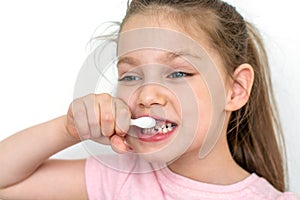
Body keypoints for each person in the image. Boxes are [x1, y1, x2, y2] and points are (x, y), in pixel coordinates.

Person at [0, 0, 299, 199]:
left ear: (235, 90)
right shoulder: (121, 180)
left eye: (179, 74)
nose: (147, 95)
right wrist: (69, 129)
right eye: (130, 76)